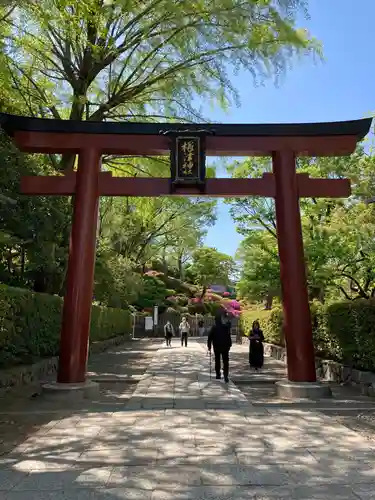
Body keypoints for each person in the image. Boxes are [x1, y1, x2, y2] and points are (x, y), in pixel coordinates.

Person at [207, 311, 232, 383]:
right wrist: (229, 344)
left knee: (217, 360)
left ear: (215, 320)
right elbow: (228, 336)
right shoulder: (225, 327)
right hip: (225, 347)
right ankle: (226, 375)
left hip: (217, 347)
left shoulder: (213, 328)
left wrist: (209, 347)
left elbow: (209, 338)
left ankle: (218, 374)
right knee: (226, 361)